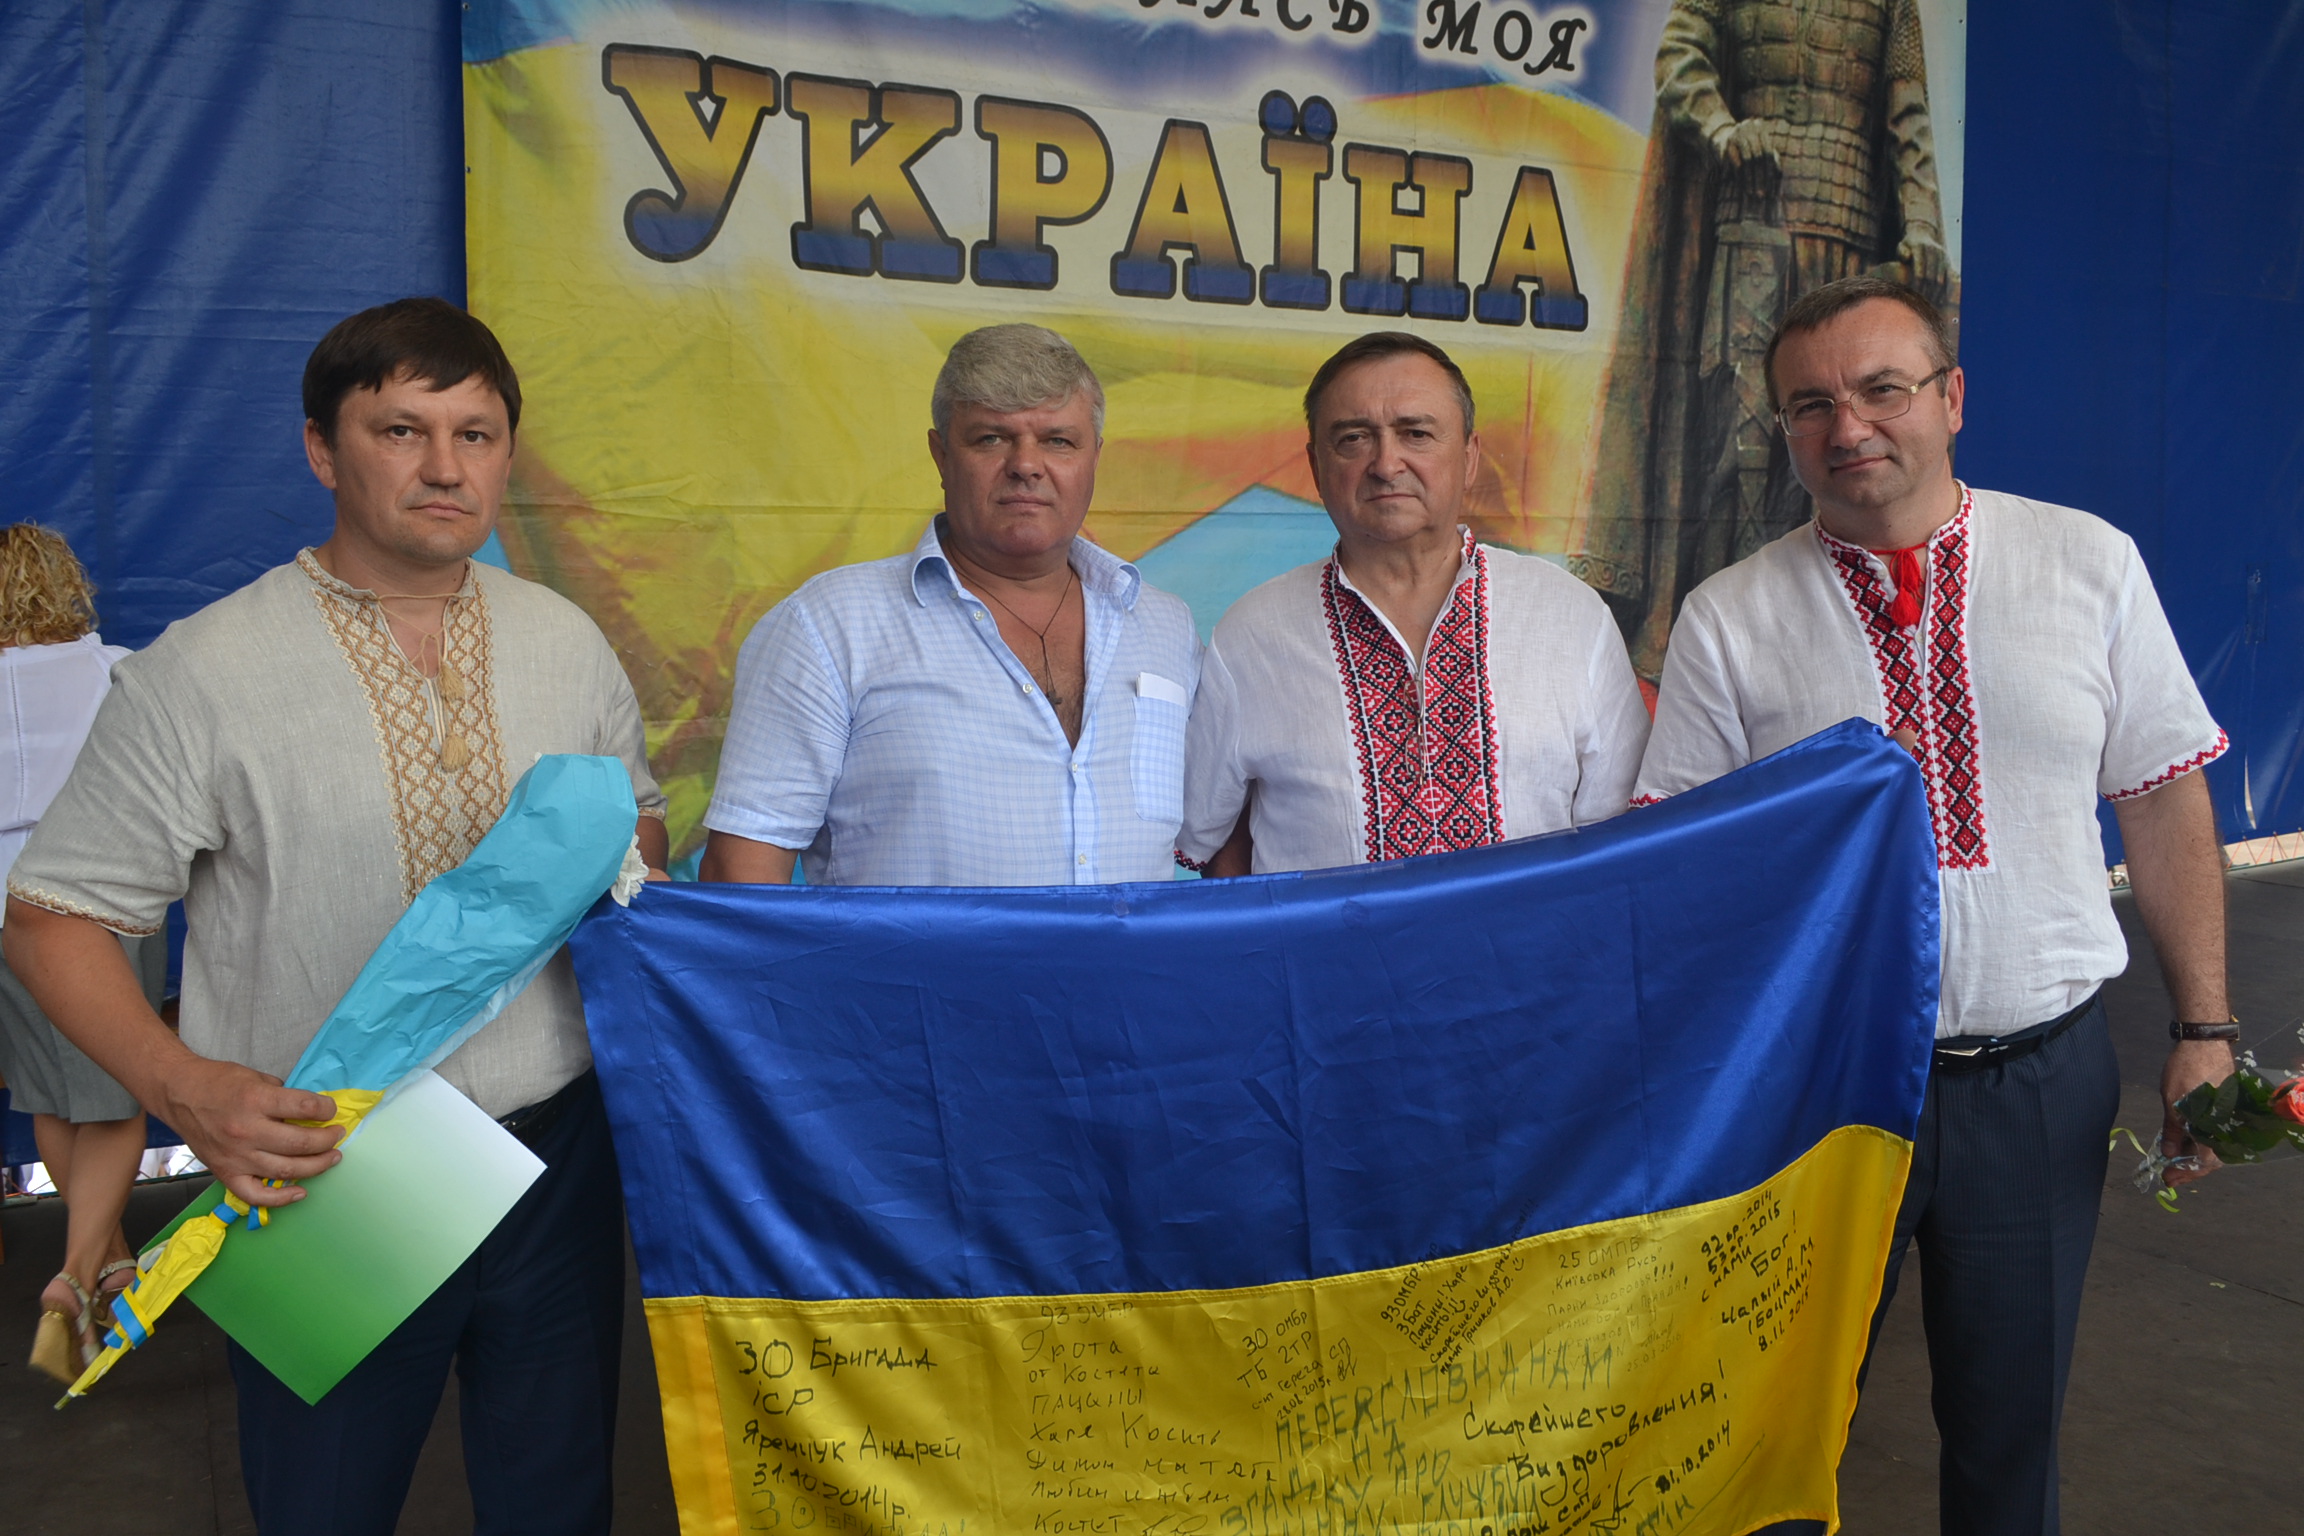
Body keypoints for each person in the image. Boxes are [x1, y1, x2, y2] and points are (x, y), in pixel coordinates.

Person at [3, 298, 668, 1535]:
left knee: (560, 1499)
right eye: (401, 430)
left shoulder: (566, 643)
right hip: (331, 1168)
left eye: (476, 434)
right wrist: (184, 1087)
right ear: (322, 449)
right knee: (326, 1506)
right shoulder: (201, 673)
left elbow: (637, 829)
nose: (444, 467)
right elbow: (51, 918)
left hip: (554, 1153)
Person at [1634, 276, 2232, 1536]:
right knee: (1772, 1434)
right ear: (1785, 431)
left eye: (1882, 389)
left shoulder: (2086, 562)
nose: (1847, 425)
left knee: (2011, 1443)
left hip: (2038, 1085)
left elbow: (2162, 797)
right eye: (1811, 405)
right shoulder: (1731, 618)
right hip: (1819, 1097)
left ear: (1952, 399)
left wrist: (2205, 1030)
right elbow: (1678, 864)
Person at [701, 323, 1198, 887]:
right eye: (991, 438)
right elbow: (742, 873)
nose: (1026, 464)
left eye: (1058, 440)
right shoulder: (828, 626)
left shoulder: (1165, 626)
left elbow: (1220, 837)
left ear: (1095, 458)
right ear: (940, 455)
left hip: (1130, 954)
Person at [1571, 0, 1951, 682]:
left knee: (1844, 456)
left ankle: (1833, 649)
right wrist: (1721, 128)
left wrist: (1920, 222)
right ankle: (1724, 653)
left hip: (1849, 241)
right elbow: (1681, 59)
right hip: (1749, 225)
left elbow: (1908, 118)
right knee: (1739, 448)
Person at [1178, 333, 1650, 876]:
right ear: (1315, 466)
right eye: (1354, 439)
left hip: (1536, 936)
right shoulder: (1252, 637)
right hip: (1331, 939)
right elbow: (1209, 841)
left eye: (1416, 434)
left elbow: (1626, 843)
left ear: (1469, 457)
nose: (1386, 463)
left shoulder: (1569, 616)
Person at [0, 524, 167, 1383]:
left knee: (53, 1097)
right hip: (104, 898)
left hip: (6, 913)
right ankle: (76, 1273)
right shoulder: (114, 671)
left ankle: (109, 1260)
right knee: (116, 1092)